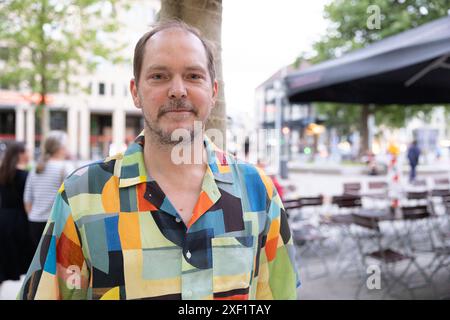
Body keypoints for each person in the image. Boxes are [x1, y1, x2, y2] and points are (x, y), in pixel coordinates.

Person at [18, 20, 299, 300]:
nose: (178, 90)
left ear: (213, 91)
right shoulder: (82, 195)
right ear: (135, 92)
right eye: (159, 76)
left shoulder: (258, 190)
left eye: (193, 76)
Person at [23, 131, 73, 253]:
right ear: (60, 148)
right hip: (55, 224)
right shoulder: (66, 167)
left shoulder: (36, 167)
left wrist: (34, 214)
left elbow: (27, 199)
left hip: (34, 222)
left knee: (40, 264)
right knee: (55, 266)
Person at [0, 142, 34, 285]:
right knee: (26, 263)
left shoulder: (2, 173)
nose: (30, 154)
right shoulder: (27, 176)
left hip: (3, 218)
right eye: (27, 151)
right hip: (20, 220)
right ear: (20, 154)